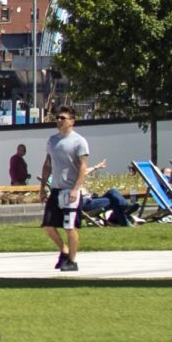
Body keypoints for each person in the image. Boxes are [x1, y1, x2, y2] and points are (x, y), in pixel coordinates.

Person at [38, 105, 97, 273]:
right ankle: (64, 250)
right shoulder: (52, 140)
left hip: (70, 190)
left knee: (70, 227)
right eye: (58, 118)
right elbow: (47, 164)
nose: (59, 120)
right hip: (56, 189)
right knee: (48, 225)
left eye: (63, 118)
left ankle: (72, 260)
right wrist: (42, 187)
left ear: (72, 121)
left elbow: (83, 166)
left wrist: (76, 189)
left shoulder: (79, 141)